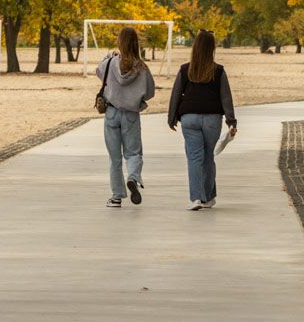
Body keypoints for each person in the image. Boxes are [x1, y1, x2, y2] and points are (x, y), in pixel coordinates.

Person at [167, 30, 237, 210]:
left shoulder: (185, 69)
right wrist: (231, 121)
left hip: (189, 119)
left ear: (195, 47)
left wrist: (171, 117)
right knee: (207, 157)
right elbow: (226, 97)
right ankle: (208, 198)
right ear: (212, 48)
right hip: (212, 119)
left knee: (194, 158)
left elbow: (176, 94)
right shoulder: (218, 71)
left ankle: (196, 198)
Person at [95, 27, 156, 208]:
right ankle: (133, 177)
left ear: (120, 42)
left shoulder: (110, 63)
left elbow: (98, 72)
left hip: (112, 113)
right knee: (133, 152)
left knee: (114, 158)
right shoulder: (142, 68)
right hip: (131, 115)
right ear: (136, 43)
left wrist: (108, 56)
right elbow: (150, 93)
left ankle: (116, 196)